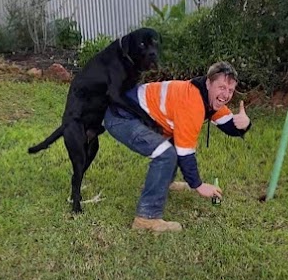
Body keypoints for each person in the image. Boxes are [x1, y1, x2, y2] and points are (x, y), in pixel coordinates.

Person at [104, 61, 251, 232]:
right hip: (121, 117)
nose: (225, 95)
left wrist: (245, 124)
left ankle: (165, 182)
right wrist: (198, 185)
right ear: (208, 83)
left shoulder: (208, 99)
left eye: (230, 90)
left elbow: (231, 127)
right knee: (166, 154)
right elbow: (185, 153)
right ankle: (146, 219)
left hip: (136, 116)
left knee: (170, 147)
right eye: (221, 87)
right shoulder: (193, 102)